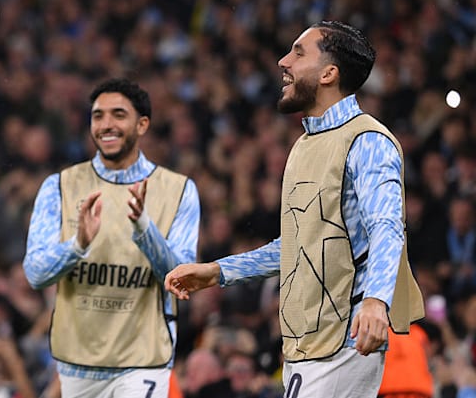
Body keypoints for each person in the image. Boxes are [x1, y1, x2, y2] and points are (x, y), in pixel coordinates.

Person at [165, 20, 424, 398]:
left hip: (345, 338)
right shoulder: (305, 145)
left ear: (328, 74)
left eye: (299, 52)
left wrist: (375, 301)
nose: (283, 61)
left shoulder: (367, 139)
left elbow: (387, 227)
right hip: (307, 343)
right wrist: (218, 271)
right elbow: (296, 246)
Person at [22, 78, 201, 398]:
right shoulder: (59, 186)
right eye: (98, 115)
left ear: (142, 124)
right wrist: (77, 246)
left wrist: (146, 230)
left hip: (143, 360)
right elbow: (36, 274)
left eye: (119, 115)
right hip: (77, 362)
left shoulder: (178, 190)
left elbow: (182, 279)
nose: (106, 124)